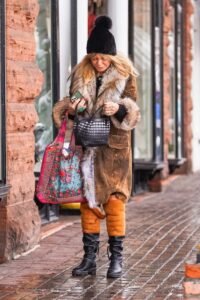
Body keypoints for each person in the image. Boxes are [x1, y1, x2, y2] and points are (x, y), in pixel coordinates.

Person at [53, 16, 141, 278]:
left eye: (103, 58)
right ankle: (89, 258)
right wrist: (72, 107)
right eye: (94, 58)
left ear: (112, 57)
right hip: (87, 148)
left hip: (114, 150)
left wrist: (120, 107)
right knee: (87, 202)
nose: (98, 63)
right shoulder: (81, 75)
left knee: (115, 202)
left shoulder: (125, 77)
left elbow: (134, 109)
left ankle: (116, 259)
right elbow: (69, 106)